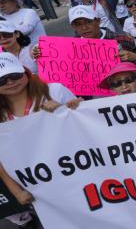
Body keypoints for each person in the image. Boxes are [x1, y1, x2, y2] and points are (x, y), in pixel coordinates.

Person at [0, 52, 79, 226]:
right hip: (37, 186)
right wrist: (16, 191)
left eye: (14, 75)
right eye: (2, 80)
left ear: (25, 72)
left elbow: (83, 121)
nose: (10, 82)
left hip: (75, 171)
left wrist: (64, 109)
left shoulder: (54, 90)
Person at [66, 5, 136, 68]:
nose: (84, 28)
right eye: (78, 24)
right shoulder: (70, 47)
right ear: (73, 27)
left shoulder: (121, 39)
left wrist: (135, 57)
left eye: (88, 22)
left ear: (98, 21)